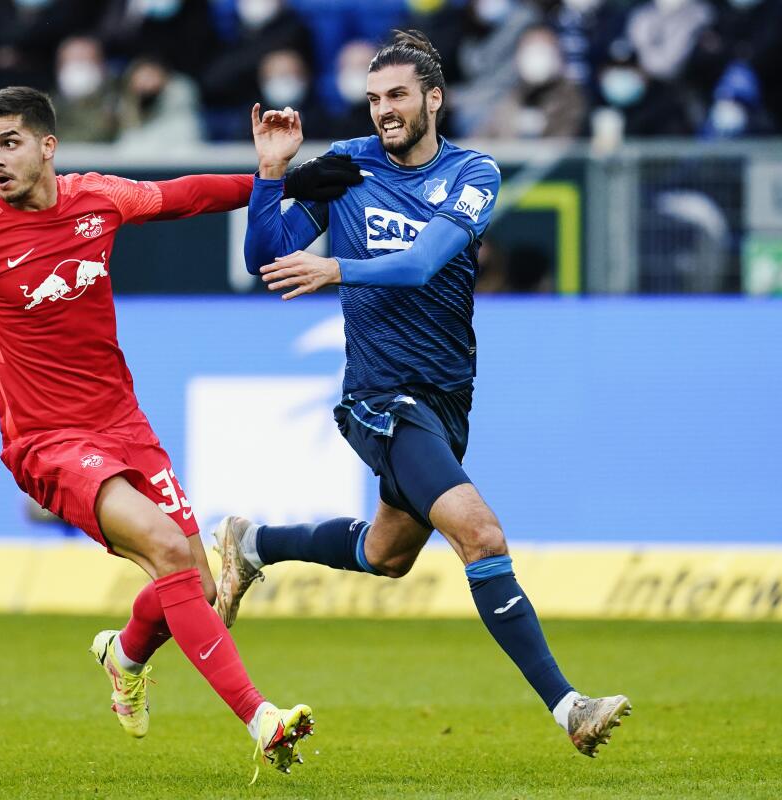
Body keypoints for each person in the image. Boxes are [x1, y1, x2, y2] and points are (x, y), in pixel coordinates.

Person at [0, 86, 357, 776]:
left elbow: (185, 194)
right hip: (47, 443)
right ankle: (260, 717)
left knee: (201, 589)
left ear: (46, 146)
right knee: (165, 549)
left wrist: (281, 178)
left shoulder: (98, 200)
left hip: (122, 423)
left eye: (10, 143)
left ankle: (124, 655)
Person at [218, 29, 633, 758]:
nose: (384, 110)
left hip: (446, 398)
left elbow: (420, 264)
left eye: (398, 96)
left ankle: (251, 543)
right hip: (379, 396)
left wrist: (338, 270)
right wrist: (270, 175)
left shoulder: (474, 171)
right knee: (481, 533)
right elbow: (266, 258)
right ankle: (569, 706)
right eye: (374, 98)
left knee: (386, 554)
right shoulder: (347, 165)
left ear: (433, 99)